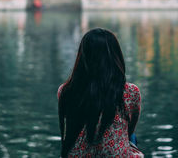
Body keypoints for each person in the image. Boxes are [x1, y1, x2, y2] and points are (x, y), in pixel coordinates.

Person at [58, 28, 143, 157]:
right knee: (132, 136)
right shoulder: (130, 92)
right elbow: (130, 127)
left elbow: (67, 130)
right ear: (116, 57)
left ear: (82, 56)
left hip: (76, 154)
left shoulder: (66, 90)